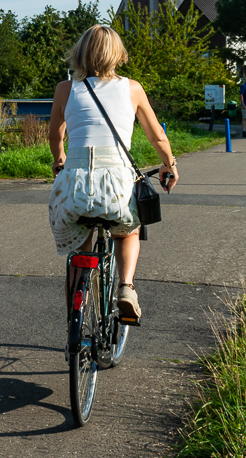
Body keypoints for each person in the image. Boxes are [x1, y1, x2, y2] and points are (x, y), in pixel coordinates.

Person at [47, 25, 178, 326]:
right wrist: (169, 164)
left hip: (74, 186)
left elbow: (55, 135)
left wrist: (60, 160)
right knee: (128, 231)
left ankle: (74, 322)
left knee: (79, 252)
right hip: (117, 185)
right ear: (116, 54)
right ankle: (126, 288)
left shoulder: (65, 89)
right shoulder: (132, 88)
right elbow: (157, 135)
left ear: (80, 54)